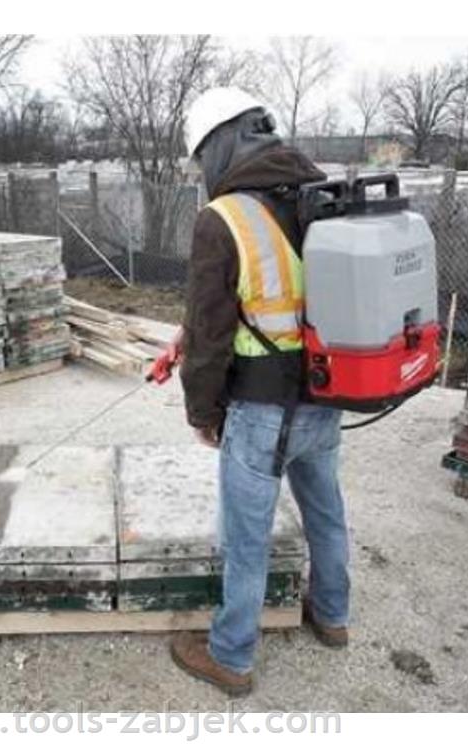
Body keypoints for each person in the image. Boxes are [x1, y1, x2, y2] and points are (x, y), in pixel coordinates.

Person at [169, 87, 351, 697]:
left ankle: (232, 657)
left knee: (246, 542)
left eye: (201, 157)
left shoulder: (223, 219)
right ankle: (332, 616)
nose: (202, 172)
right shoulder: (321, 195)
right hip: (325, 397)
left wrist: (203, 411)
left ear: (220, 143)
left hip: (259, 412)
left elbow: (211, 336)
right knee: (325, 515)